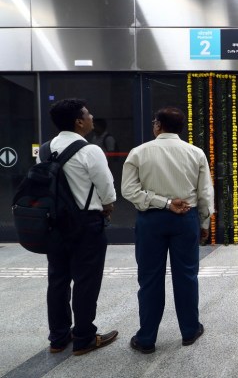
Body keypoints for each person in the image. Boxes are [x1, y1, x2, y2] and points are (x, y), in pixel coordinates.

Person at [121, 107, 214, 354]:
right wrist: (204, 224)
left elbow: (128, 191)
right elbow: (205, 193)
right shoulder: (195, 153)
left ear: (158, 126)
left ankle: (146, 339)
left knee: (150, 279)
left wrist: (161, 202)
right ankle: (189, 331)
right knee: (186, 276)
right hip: (186, 219)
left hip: (150, 221)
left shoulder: (138, 153)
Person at [43, 98, 118, 355]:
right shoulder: (90, 150)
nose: (91, 117)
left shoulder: (45, 149)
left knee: (57, 280)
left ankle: (58, 338)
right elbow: (106, 189)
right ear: (78, 121)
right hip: (86, 224)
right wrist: (108, 206)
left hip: (54, 226)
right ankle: (85, 337)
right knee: (86, 281)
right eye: (88, 114)